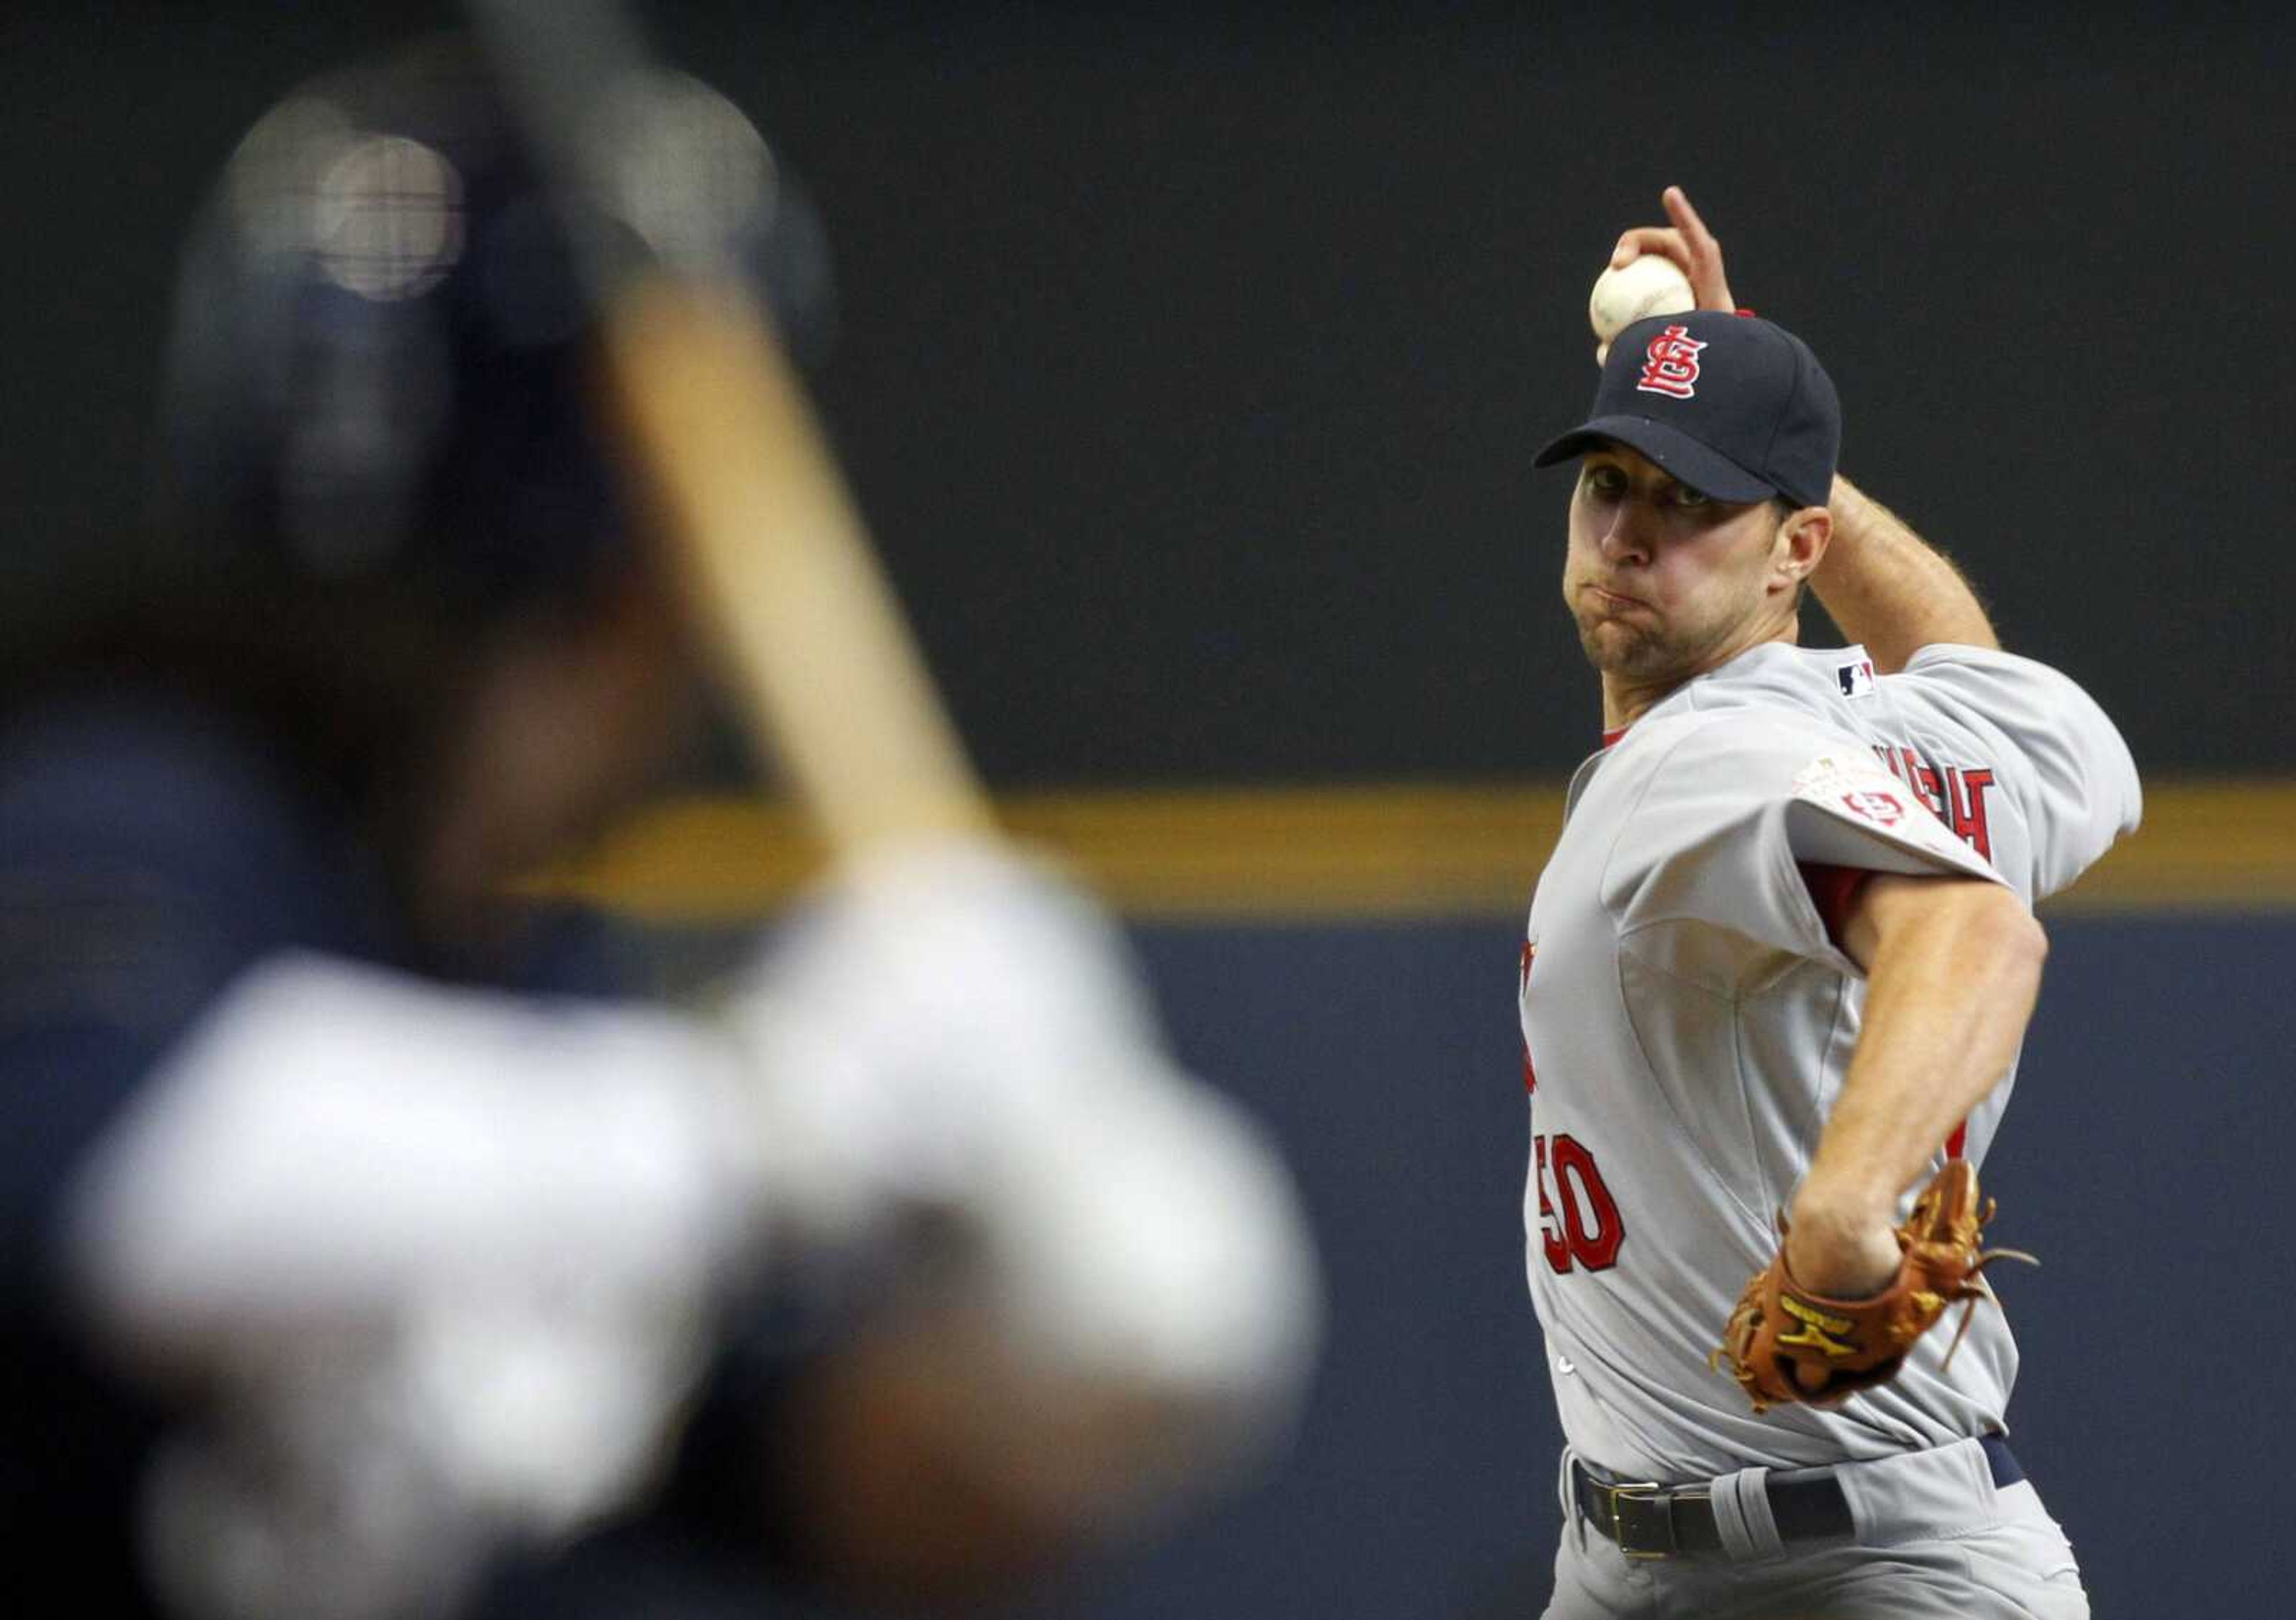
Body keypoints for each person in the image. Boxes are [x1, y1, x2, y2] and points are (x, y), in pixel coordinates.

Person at [0, 36, 1318, 1620]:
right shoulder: (122, 807)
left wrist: (1069, 1369)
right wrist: (776, 1120)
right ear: (640, 577)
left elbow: (823, 1481)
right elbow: (134, 1172)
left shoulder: (518, 961)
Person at [1515, 187, 2139, 1619]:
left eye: (1693, 502)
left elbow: (1975, 927)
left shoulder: (1709, 755)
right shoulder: (1885, 727)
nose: (1631, 532)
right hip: (1637, 1561)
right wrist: (1736, 371)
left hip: (1858, 1575)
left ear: (1794, 553)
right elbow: (1976, 675)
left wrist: (1849, 1205)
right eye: (1611, 481)